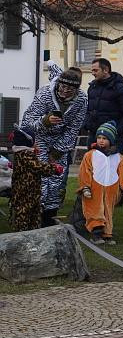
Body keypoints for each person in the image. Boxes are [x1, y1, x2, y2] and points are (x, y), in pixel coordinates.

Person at [19, 62, 87, 226]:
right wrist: (45, 121)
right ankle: (33, 219)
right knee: (41, 179)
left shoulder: (82, 100)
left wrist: (58, 151)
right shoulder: (44, 94)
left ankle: (49, 220)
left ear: (76, 90)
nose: (64, 92)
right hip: (40, 138)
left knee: (56, 179)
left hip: (61, 141)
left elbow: (74, 128)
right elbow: (27, 122)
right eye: (61, 88)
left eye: (69, 90)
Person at [77, 121, 123, 244]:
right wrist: (85, 187)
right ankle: (96, 234)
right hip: (94, 189)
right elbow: (85, 171)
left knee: (108, 211)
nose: (101, 141)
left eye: (104, 138)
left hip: (111, 189)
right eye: (99, 137)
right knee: (94, 210)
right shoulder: (90, 155)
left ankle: (107, 233)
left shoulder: (118, 157)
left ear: (111, 140)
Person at [7, 127, 64, 232]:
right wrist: (54, 168)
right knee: (25, 214)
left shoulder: (21, 153)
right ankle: (23, 235)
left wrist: (33, 152)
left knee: (33, 212)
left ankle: (33, 232)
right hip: (26, 193)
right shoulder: (25, 155)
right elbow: (38, 167)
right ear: (28, 143)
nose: (36, 143)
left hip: (28, 192)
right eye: (34, 141)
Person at [85, 58, 123, 151]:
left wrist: (116, 132)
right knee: (92, 165)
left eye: (95, 70)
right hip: (94, 137)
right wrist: (87, 124)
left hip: (113, 139)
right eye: (91, 70)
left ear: (106, 70)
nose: (93, 73)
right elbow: (88, 110)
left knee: (112, 165)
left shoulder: (121, 89)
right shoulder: (92, 88)